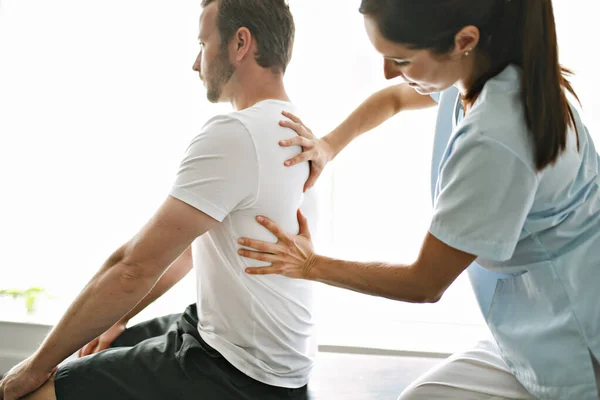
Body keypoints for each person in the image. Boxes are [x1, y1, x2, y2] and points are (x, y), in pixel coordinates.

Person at [237, 0, 600, 399]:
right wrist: (326, 146)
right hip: (531, 330)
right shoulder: (486, 69)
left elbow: (424, 283)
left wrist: (309, 264)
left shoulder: (497, 135)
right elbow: (392, 99)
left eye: (400, 59)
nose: (389, 72)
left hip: (576, 344)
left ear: (464, 40)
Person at [0, 1, 317, 399]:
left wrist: (32, 369)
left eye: (203, 44)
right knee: (105, 340)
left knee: (32, 392)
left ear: (240, 43)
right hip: (268, 363)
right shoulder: (295, 130)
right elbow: (183, 252)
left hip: (236, 373)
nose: (195, 63)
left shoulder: (236, 133)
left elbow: (133, 266)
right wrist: (116, 320)